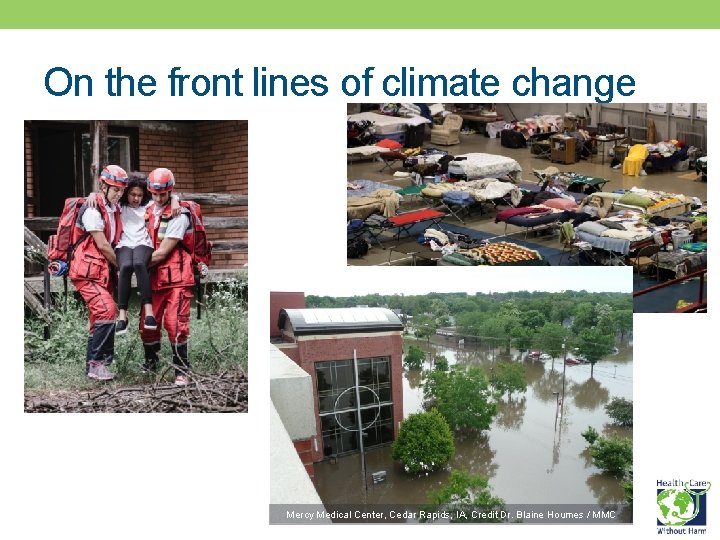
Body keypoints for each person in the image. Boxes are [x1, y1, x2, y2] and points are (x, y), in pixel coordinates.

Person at [87, 174, 180, 335]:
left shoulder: (149, 206)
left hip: (143, 244)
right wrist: (92, 194)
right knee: (125, 267)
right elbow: (104, 196)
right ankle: (122, 317)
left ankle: (149, 313)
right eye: (132, 194)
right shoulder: (119, 206)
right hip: (124, 244)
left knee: (138, 264)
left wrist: (175, 199)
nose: (136, 198)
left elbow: (167, 197)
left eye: (139, 195)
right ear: (126, 193)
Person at [69, 165, 128, 381]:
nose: (119, 194)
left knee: (98, 318)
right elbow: (103, 245)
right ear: (103, 186)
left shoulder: (114, 208)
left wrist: (176, 199)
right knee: (106, 310)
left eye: (122, 190)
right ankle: (99, 363)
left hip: (101, 272)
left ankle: (91, 369)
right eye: (115, 190)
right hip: (86, 272)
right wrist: (121, 265)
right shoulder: (92, 210)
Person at [140, 167, 197, 386]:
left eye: (164, 194)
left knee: (176, 323)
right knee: (148, 324)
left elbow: (163, 252)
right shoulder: (146, 209)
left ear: (170, 191)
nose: (158, 198)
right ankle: (151, 366)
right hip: (153, 278)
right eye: (155, 194)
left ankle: (181, 370)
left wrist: (133, 266)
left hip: (177, 277)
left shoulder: (179, 214)